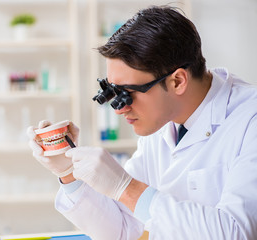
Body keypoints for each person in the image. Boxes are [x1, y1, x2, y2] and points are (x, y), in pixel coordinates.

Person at [27, 6, 257, 240]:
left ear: (177, 81)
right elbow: (125, 229)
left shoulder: (250, 120)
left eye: (128, 93)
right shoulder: (162, 122)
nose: (120, 109)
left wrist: (126, 188)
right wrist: (69, 174)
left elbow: (237, 233)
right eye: (114, 92)